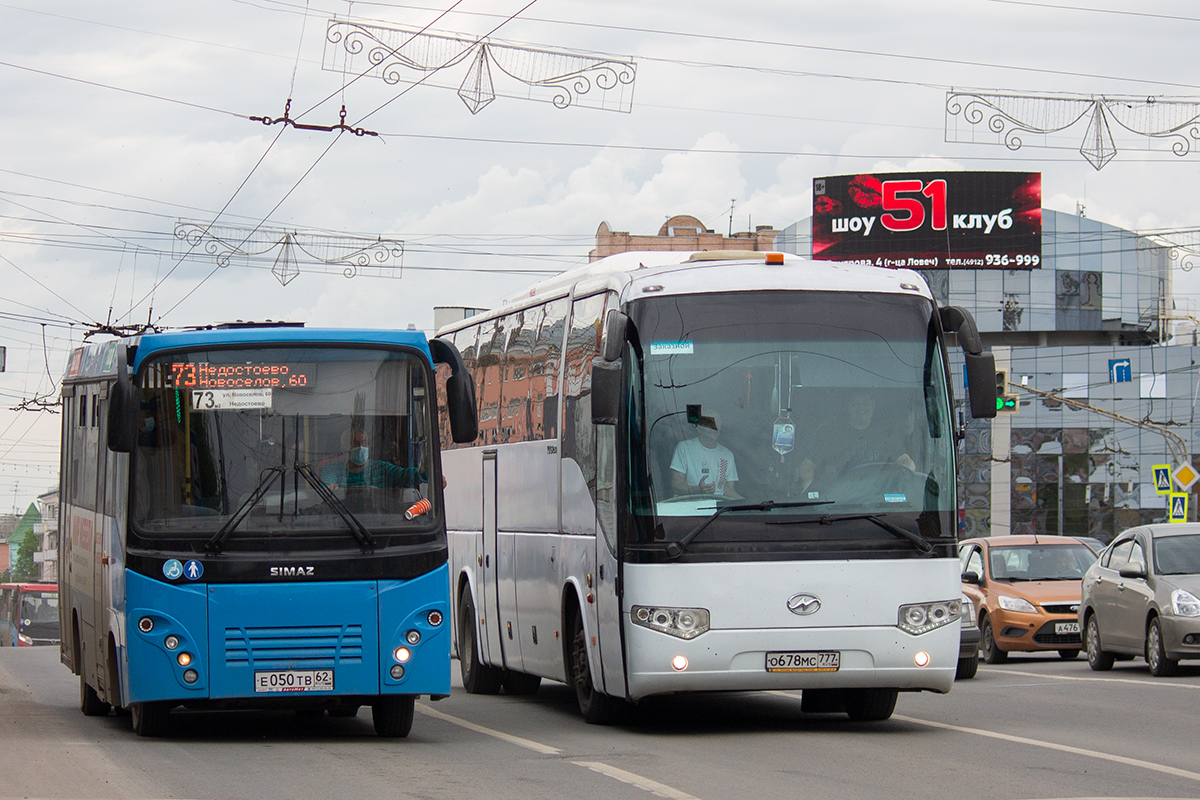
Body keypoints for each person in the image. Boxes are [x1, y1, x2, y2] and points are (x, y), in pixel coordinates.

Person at [800, 390, 915, 487]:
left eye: (866, 402)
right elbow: (807, 466)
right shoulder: (829, 433)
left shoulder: (886, 434)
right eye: (855, 404)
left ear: (873, 405)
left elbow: (907, 462)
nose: (861, 408)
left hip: (877, 499)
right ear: (848, 407)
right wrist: (809, 497)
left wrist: (901, 482)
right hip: (836, 501)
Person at [670, 410, 743, 498]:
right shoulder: (684, 448)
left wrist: (749, 506)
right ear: (698, 428)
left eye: (718, 423)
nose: (715, 427)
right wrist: (698, 490)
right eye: (710, 422)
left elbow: (729, 491)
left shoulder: (727, 455)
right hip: (689, 508)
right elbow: (677, 486)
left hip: (720, 509)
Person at [320, 428, 423, 491]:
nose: (361, 447)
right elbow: (326, 484)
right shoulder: (332, 469)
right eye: (355, 444)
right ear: (344, 449)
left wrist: (424, 472)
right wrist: (330, 488)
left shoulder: (382, 469)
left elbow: (406, 475)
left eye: (364, 443)